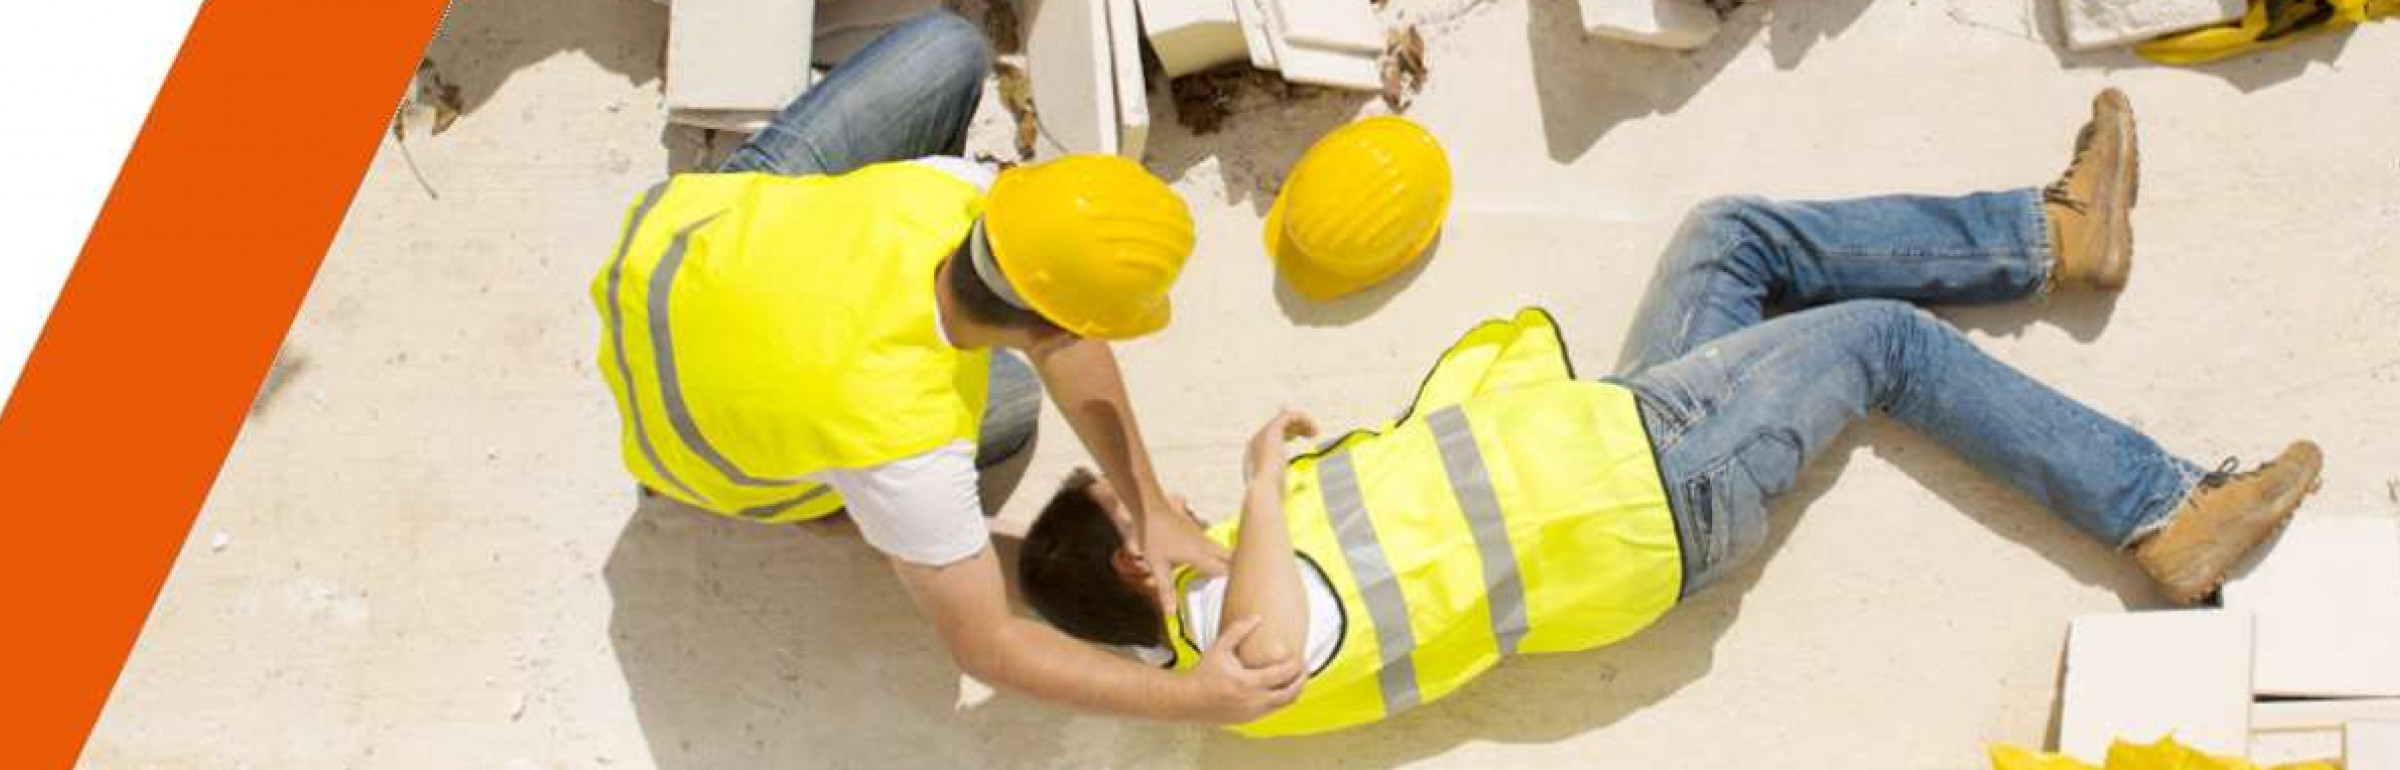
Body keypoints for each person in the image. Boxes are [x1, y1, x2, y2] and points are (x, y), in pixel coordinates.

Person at [1013, 89, 2323, 735]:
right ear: (1136, 559)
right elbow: (1282, 636)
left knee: (1728, 237)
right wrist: (1247, 485)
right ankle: (2164, 508)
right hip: (1656, 493)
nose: (1154, 488)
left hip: (1612, 435)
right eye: (1130, 501)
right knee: (1884, 346)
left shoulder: (1214, 606)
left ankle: (2051, 234)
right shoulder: (1238, 653)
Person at [589, 11, 1302, 722]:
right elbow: (985, 646)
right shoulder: (908, 440)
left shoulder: (945, 192)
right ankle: (818, 508)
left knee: (950, 50)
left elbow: (1059, 326)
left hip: (674, 249)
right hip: (686, 445)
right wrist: (1193, 697)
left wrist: (1145, 505)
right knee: (1013, 405)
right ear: (1055, 324)